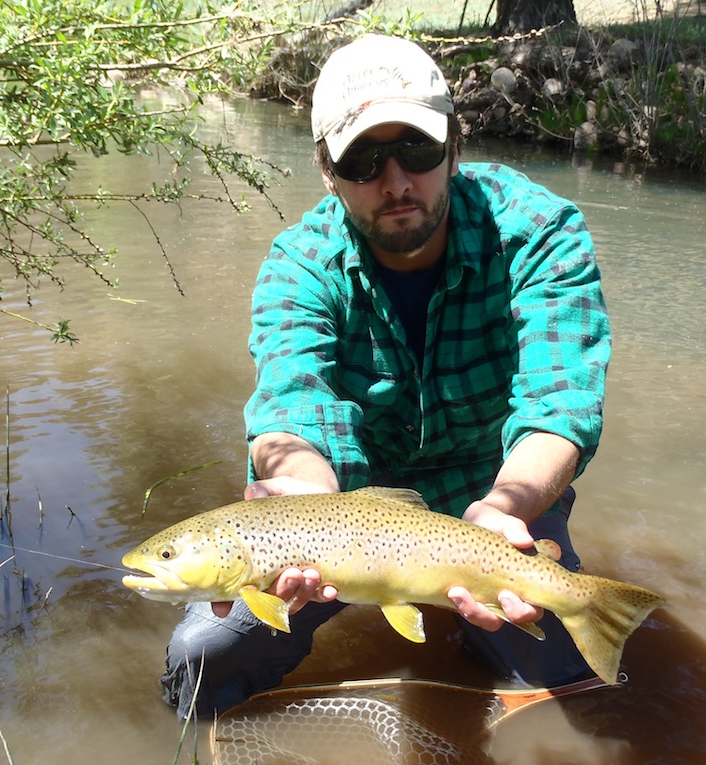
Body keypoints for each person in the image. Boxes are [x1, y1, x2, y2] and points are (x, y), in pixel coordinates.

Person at [161, 34, 611, 720]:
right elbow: (291, 401)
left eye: (417, 150)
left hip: (497, 503)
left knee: (576, 679)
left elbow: (560, 405)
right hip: (344, 514)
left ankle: (482, 634)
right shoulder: (300, 265)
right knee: (203, 656)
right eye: (363, 160)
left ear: (454, 147)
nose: (396, 181)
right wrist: (303, 501)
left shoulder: (540, 233)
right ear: (326, 170)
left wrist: (505, 509)